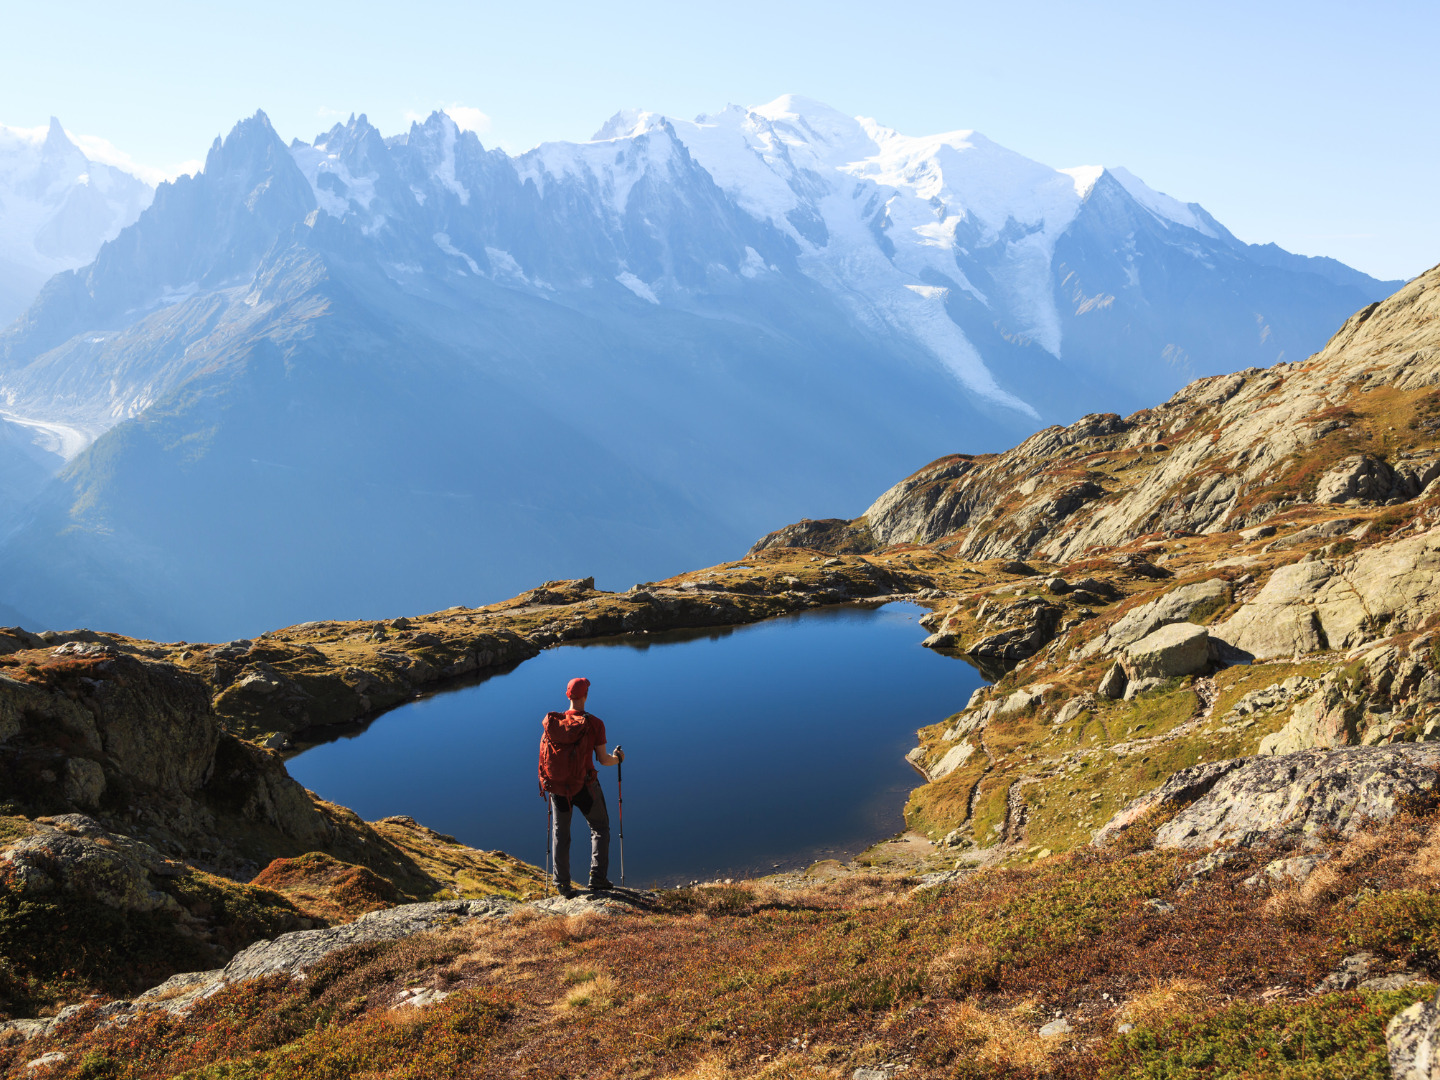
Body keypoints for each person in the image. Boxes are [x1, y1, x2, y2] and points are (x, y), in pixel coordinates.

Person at [539, 676, 624, 897]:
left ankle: (562, 883)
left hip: (558, 789)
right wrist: (619, 759)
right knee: (600, 828)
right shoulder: (594, 723)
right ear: (585, 696)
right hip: (585, 787)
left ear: (568, 695)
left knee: (561, 833)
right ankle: (597, 879)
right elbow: (604, 760)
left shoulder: (553, 724)